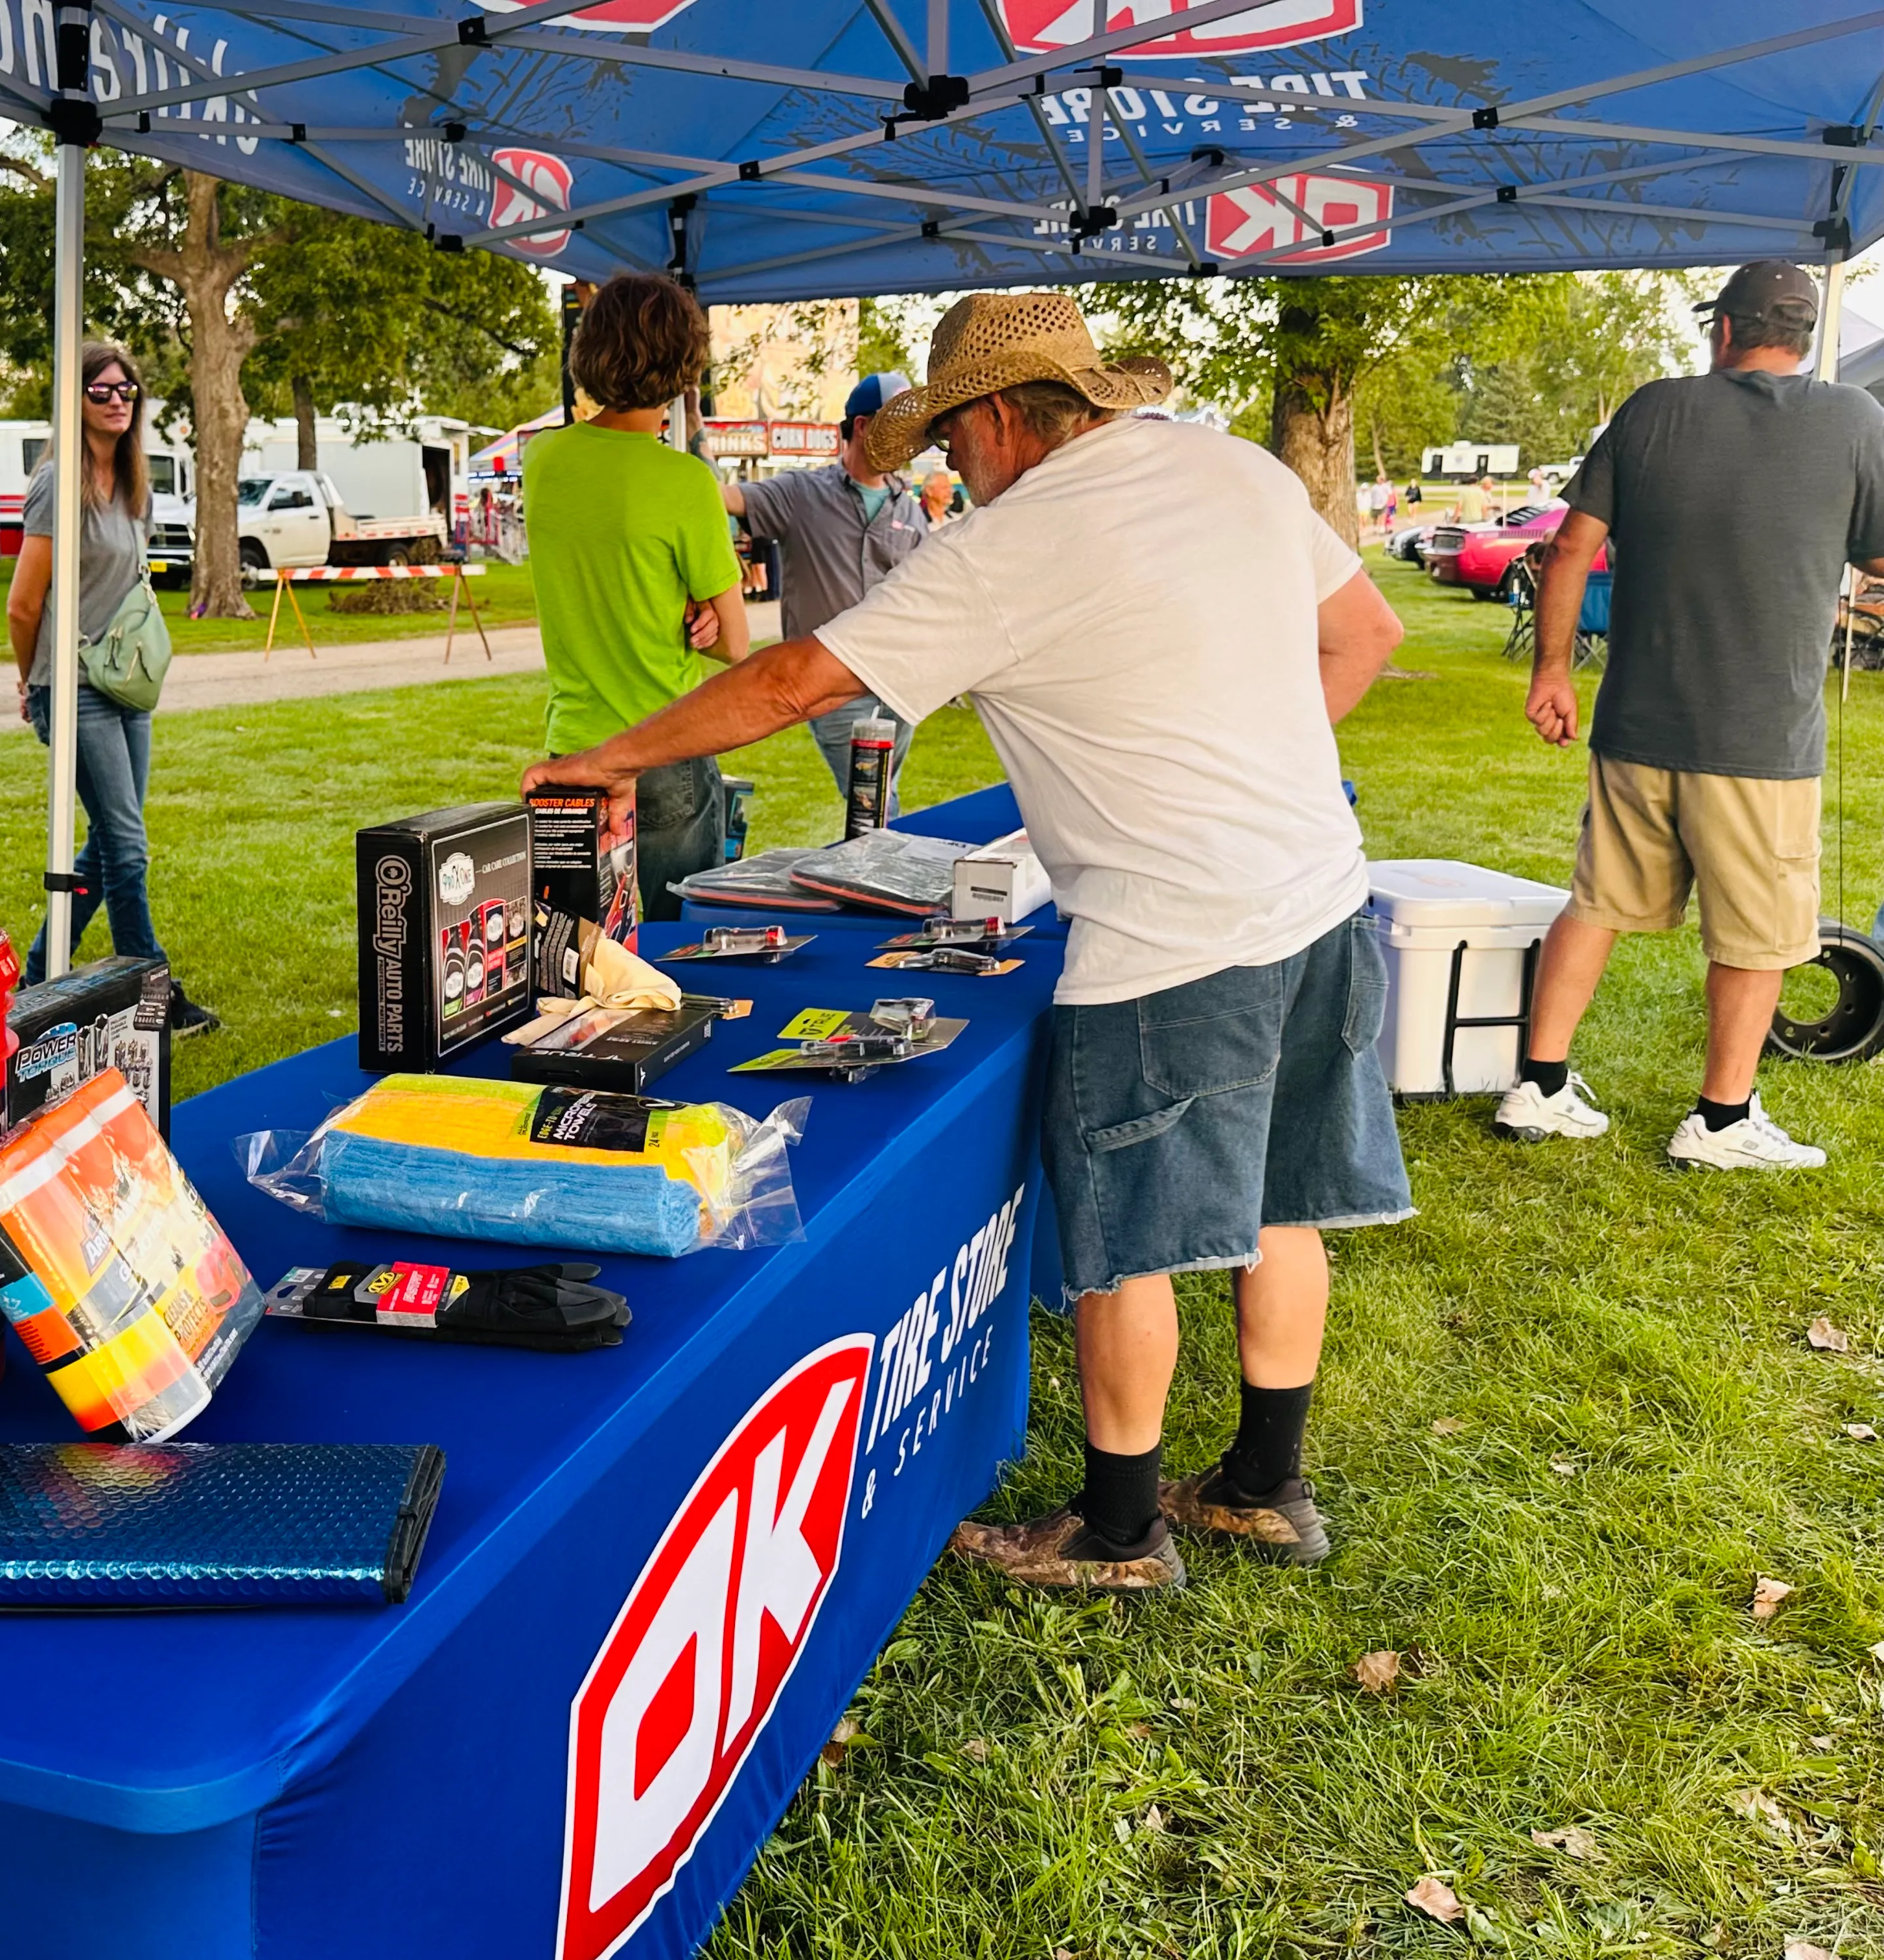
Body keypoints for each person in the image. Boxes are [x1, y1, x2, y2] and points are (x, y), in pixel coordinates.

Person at [524, 292, 1412, 1592]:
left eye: (954, 442)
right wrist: (1251, 778)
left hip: (1174, 940)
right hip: (1320, 895)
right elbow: (1368, 634)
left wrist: (605, 760)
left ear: (1000, 419)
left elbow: (794, 683)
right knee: (1284, 1205)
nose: (952, 467)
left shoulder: (1019, 542)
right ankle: (1267, 1486)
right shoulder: (1234, 465)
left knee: (1132, 1243)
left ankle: (1120, 1533)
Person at [1501, 259, 1884, 1169]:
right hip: (1761, 740)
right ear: (1803, 333)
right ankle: (1720, 1120)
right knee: (1758, 934)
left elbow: (1565, 551)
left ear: (1726, 329)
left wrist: (1551, 671)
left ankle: (1540, 1086)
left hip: (1636, 722)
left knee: (1596, 901)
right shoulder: (1856, 420)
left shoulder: (1650, 410)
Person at [5, 340, 219, 1035]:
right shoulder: (57, 485)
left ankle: (38, 975)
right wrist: (31, 682)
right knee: (127, 846)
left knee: (110, 842)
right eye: (101, 390)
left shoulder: (132, 485)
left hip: (124, 686)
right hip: (71, 686)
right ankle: (150, 991)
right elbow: (22, 603)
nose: (117, 400)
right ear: (76, 402)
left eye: (126, 389)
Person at [522, 274, 750, 920]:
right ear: (686, 367)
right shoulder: (685, 481)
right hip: (666, 744)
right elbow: (735, 645)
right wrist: (697, 606)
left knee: (576, 954)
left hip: (574, 747)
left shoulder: (543, 461)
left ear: (587, 351)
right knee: (682, 951)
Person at [725, 372, 930, 814]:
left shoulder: (910, 510)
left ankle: (864, 875)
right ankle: (880, 874)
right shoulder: (801, 494)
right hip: (829, 685)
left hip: (899, 682)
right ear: (862, 426)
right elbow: (725, 499)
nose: (907, 441)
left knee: (877, 799)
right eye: (897, 425)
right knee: (873, 799)